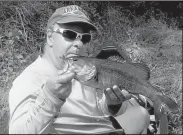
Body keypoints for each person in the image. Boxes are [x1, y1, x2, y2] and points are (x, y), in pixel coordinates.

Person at [8, 5, 150, 134]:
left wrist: (111, 105)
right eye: (69, 35)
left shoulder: (82, 68)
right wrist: (50, 98)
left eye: (85, 38)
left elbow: (96, 109)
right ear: (50, 37)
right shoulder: (29, 79)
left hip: (103, 128)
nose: (79, 43)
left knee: (141, 114)